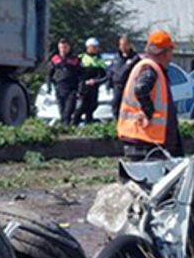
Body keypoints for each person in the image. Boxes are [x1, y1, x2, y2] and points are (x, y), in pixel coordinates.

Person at [116, 30, 182, 160]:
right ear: (164, 53)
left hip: (145, 138)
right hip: (145, 138)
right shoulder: (149, 68)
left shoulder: (151, 67)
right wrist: (148, 111)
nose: (171, 56)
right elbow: (141, 89)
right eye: (170, 52)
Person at [48, 38, 82, 126]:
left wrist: (80, 89)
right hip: (59, 87)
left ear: (69, 48)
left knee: (69, 110)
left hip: (72, 88)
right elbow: (49, 74)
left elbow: (80, 75)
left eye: (65, 47)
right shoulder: (54, 59)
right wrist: (49, 86)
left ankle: (66, 126)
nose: (63, 49)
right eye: (61, 47)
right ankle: (64, 127)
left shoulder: (75, 59)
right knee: (62, 110)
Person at [76, 37, 107, 126]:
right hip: (83, 87)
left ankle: (88, 124)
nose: (96, 49)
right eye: (93, 47)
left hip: (94, 87)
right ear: (88, 47)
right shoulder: (81, 58)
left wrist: (96, 81)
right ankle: (74, 124)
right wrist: (83, 81)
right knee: (81, 106)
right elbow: (77, 73)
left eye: (96, 47)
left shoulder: (99, 59)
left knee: (92, 106)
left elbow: (104, 75)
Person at [111, 34, 141, 112]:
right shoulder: (117, 57)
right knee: (116, 105)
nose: (122, 47)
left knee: (128, 107)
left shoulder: (135, 58)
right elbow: (111, 70)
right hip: (117, 86)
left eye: (124, 45)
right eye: (121, 45)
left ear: (129, 45)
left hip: (129, 85)